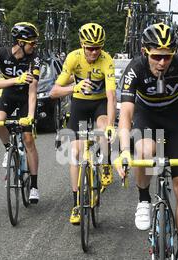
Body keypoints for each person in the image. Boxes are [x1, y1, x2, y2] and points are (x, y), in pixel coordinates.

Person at [114, 23, 178, 260]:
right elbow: (125, 115)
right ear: (145, 52)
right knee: (144, 149)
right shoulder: (135, 68)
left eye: (167, 55)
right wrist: (124, 151)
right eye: (156, 55)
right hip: (146, 119)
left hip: (176, 122)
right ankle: (144, 199)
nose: (162, 61)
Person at [50, 23, 116, 225]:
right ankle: (77, 203)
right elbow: (54, 92)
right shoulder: (73, 58)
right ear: (82, 45)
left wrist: (111, 125)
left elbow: (111, 96)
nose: (94, 52)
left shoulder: (107, 60)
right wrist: (74, 86)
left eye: (98, 47)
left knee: (103, 127)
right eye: (90, 48)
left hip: (100, 103)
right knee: (75, 152)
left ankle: (105, 164)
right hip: (79, 103)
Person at [0, 22, 41, 203]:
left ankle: (34, 185)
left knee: (28, 139)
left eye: (35, 44)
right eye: (31, 43)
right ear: (19, 42)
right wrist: (17, 79)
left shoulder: (34, 59)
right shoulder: (1, 54)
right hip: (9, 95)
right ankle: (8, 148)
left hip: (26, 97)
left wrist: (31, 116)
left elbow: (33, 90)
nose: (34, 47)